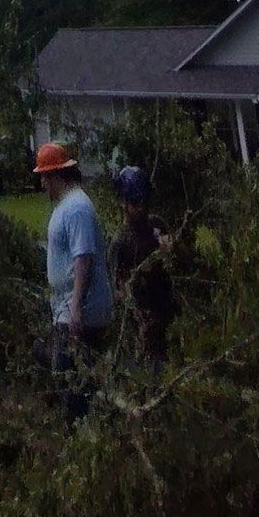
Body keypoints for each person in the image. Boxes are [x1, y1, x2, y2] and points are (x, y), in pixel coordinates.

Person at [35, 141, 113, 418]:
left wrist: (76, 307)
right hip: (66, 310)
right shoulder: (67, 205)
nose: (42, 183)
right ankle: (79, 433)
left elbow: (84, 258)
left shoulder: (77, 208)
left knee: (76, 385)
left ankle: (81, 435)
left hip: (80, 314)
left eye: (45, 176)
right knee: (67, 379)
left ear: (57, 175)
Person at [109, 166, 175, 374]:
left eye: (145, 202)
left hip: (168, 315)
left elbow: (182, 260)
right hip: (140, 324)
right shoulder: (120, 242)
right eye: (136, 203)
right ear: (124, 203)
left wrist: (171, 249)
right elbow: (117, 291)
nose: (142, 208)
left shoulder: (156, 225)